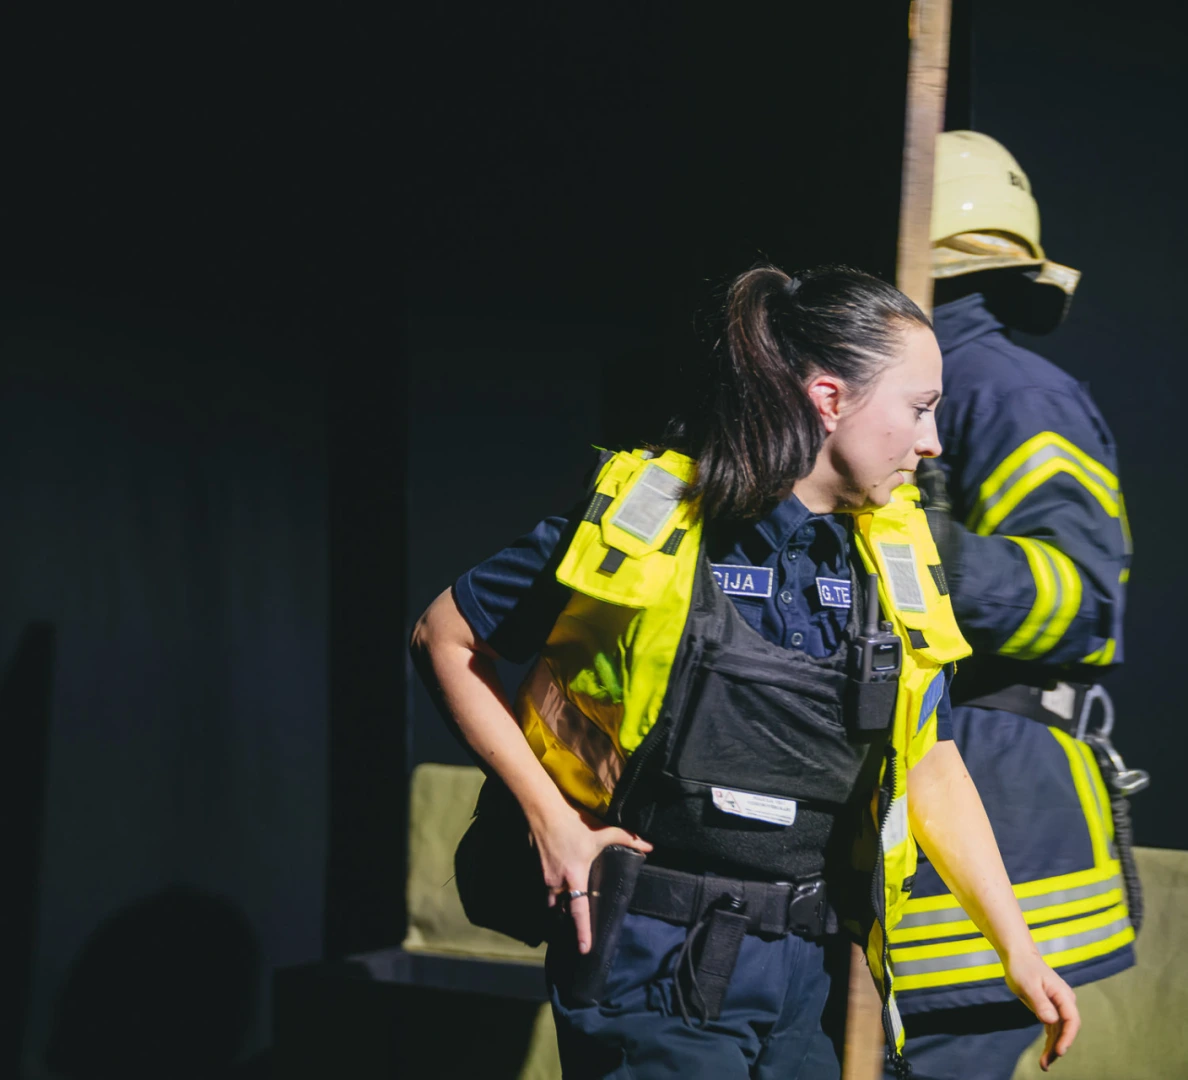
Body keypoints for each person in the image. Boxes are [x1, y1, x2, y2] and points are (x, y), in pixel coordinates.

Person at [410, 265, 1081, 1080]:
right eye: (919, 408)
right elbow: (444, 637)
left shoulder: (892, 561)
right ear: (830, 399)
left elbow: (930, 761)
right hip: (650, 954)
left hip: (811, 971)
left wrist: (1016, 949)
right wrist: (553, 822)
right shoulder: (649, 524)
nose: (932, 440)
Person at [889, 132, 1143, 1079]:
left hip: (997, 797)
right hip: (939, 796)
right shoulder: (918, 382)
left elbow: (1083, 603)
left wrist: (916, 550)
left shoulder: (1009, 390)